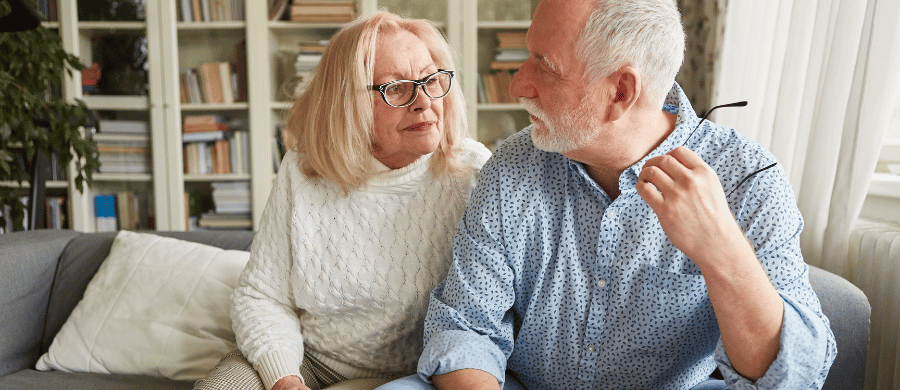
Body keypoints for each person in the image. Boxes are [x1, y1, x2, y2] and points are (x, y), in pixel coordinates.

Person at [376, 0, 838, 389]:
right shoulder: (513, 166)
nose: (518, 84)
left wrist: (721, 249)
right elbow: (465, 325)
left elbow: (792, 376)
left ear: (620, 91)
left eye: (545, 66)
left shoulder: (748, 178)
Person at [192, 11, 491, 390]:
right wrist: (284, 378)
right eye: (396, 87)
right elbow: (262, 295)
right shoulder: (303, 172)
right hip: (309, 361)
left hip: (426, 374)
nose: (423, 101)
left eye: (431, 79)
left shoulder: (474, 171)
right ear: (348, 103)